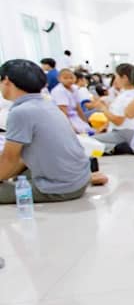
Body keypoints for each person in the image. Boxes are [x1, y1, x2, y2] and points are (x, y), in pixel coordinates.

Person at [0, 60, 90, 204]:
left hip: (60, 189)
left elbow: (9, 160)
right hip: (79, 179)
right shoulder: (47, 104)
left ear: (6, 80)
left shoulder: (20, 112)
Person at [94, 63, 134, 155]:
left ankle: (116, 148)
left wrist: (103, 108)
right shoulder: (129, 93)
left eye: (116, 77)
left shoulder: (128, 97)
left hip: (124, 132)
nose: (115, 80)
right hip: (124, 131)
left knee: (86, 143)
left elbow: (118, 120)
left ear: (124, 78)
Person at [50, 69, 93, 135]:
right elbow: (63, 112)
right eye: (65, 78)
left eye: (71, 77)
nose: (69, 80)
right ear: (59, 79)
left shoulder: (75, 88)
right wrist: (72, 128)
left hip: (75, 117)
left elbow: (78, 108)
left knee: (88, 131)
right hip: (63, 120)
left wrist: (85, 122)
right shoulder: (59, 90)